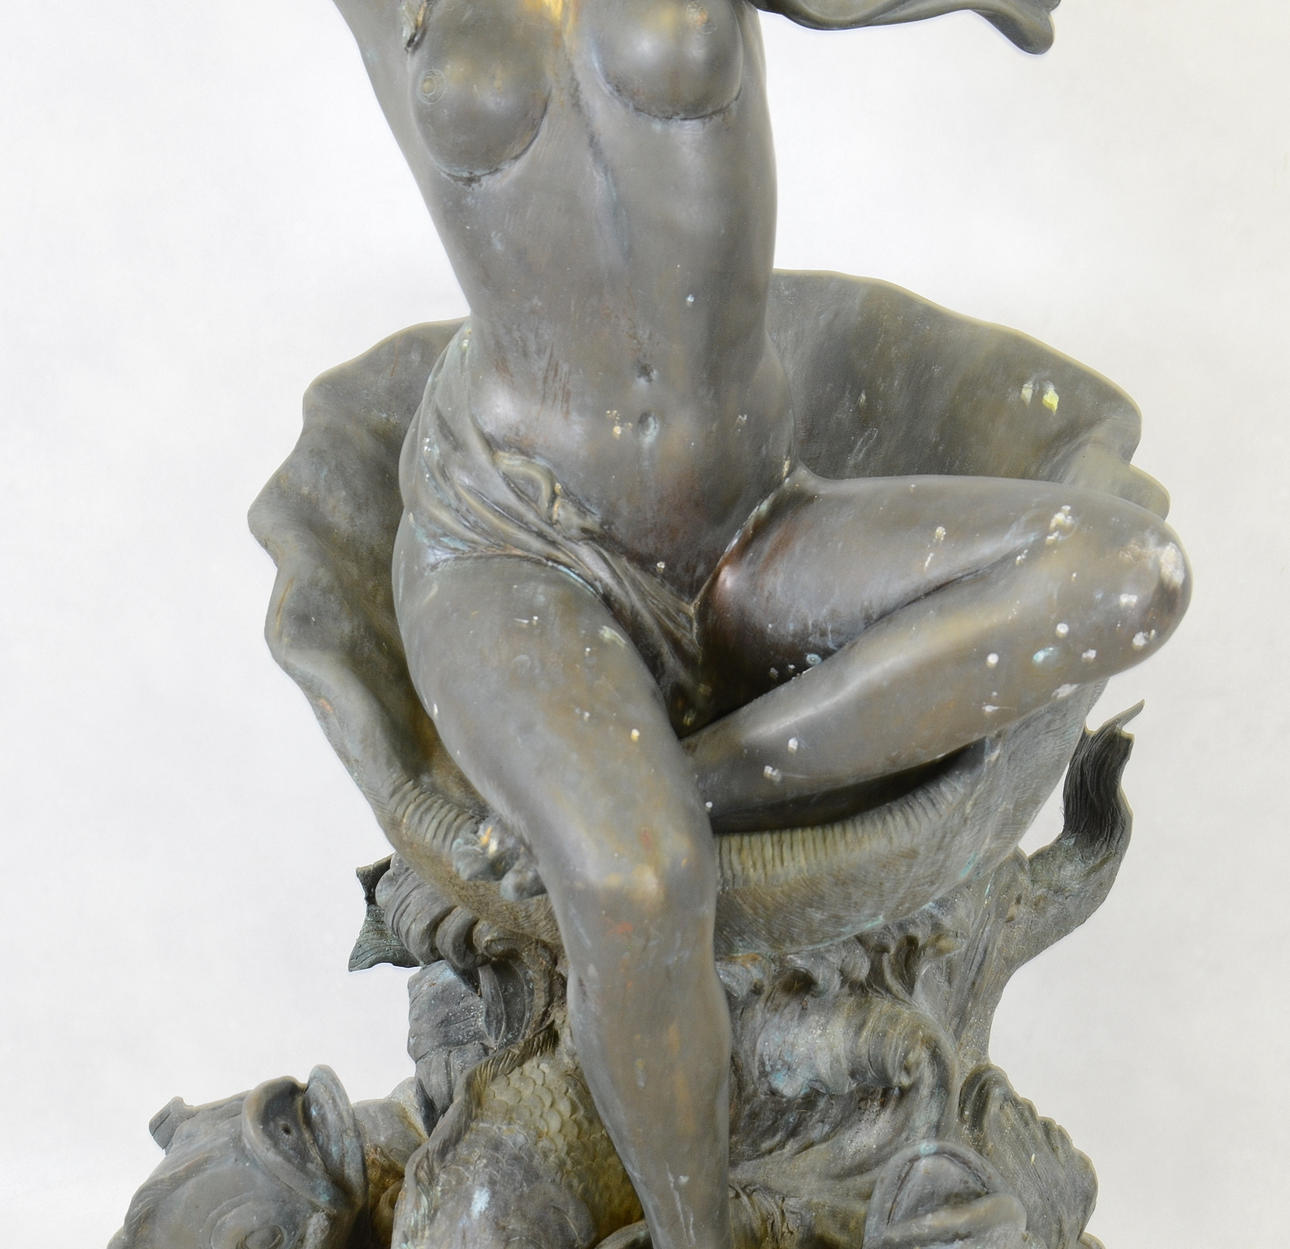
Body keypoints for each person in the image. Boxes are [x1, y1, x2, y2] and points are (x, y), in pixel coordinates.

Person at [328, 2, 1189, 1247]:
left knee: (1128, 574)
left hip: (751, 524)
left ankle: (702, 781)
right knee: (637, 879)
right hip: (512, 542)